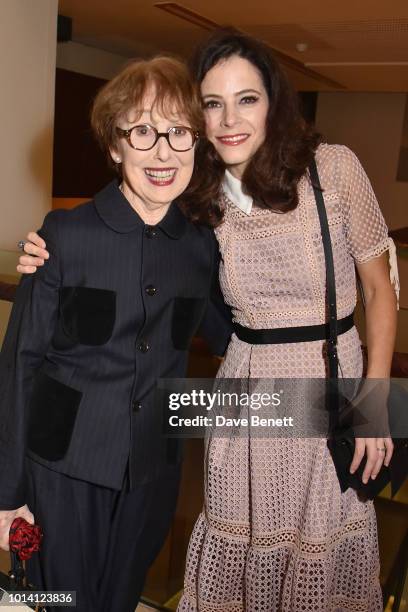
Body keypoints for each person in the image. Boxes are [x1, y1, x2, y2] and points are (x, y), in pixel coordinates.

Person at [18, 29, 399, 611]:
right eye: (213, 104)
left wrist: (373, 408)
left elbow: (378, 290)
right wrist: (55, 247)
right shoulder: (202, 199)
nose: (229, 119)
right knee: (239, 551)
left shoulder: (333, 170)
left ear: (274, 101)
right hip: (243, 388)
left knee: (314, 554)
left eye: (247, 98)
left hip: (328, 386)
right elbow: (144, 220)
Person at [0, 55, 231, 612]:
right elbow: (20, 365)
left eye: (179, 133)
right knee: (59, 602)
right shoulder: (65, 236)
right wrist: (7, 495)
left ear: (197, 145)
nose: (162, 151)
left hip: (153, 475)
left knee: (118, 601)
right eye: (143, 131)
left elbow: (236, 340)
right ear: (114, 146)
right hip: (61, 472)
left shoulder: (202, 248)